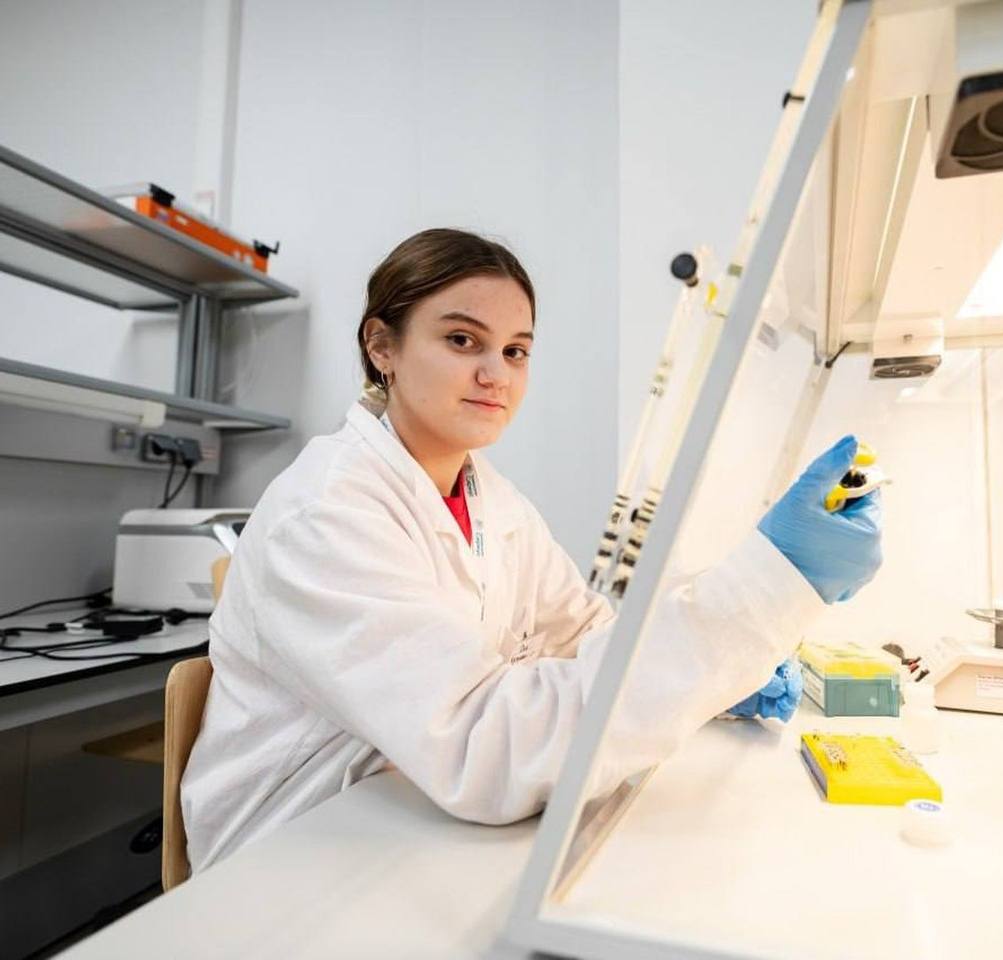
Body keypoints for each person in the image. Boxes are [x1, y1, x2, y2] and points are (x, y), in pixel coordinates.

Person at [182, 228, 882, 872]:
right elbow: (483, 745)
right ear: (382, 347)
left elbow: (587, 637)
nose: (497, 374)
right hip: (287, 860)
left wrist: (725, 671)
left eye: (516, 350)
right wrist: (765, 589)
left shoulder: (495, 503)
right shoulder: (324, 514)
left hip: (408, 817)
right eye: (463, 340)